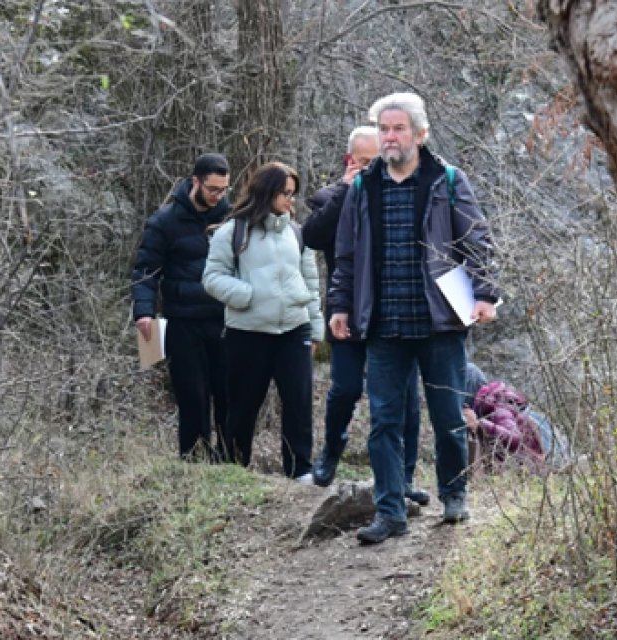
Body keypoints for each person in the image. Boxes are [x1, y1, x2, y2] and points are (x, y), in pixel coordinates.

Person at [327, 93, 500, 544]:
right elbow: (345, 255)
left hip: (440, 321)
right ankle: (390, 512)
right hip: (382, 325)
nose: (389, 137)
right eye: (384, 129)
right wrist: (340, 306)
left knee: (447, 414)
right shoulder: (364, 187)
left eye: (398, 128)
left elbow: (476, 241)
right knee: (383, 420)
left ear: (420, 134)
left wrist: (484, 294)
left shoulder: (447, 180)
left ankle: (454, 496)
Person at [303, 126, 428, 505]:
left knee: (405, 398)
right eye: (364, 162)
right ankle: (329, 455)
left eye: (378, 161)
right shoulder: (331, 198)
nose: (374, 168)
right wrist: (347, 189)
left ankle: (403, 476)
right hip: (351, 316)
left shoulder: (404, 194)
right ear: (350, 162)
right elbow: (312, 236)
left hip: (394, 316)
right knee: (344, 389)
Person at [203, 161, 323, 483]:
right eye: (285, 193)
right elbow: (212, 277)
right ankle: (233, 468)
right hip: (247, 333)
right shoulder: (232, 231)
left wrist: (315, 327)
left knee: (298, 405)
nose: (290, 200)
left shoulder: (297, 233)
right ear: (266, 192)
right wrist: (247, 295)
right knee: (242, 407)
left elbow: (311, 282)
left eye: (293, 194)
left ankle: (301, 470)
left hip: (294, 330)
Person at [131, 153, 232, 460]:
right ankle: (193, 462)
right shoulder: (164, 221)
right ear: (195, 182)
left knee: (229, 396)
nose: (218, 196)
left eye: (223, 189)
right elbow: (146, 270)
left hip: (226, 320)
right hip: (182, 321)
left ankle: (229, 461)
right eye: (212, 189)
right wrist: (144, 311)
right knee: (192, 398)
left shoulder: (231, 219)